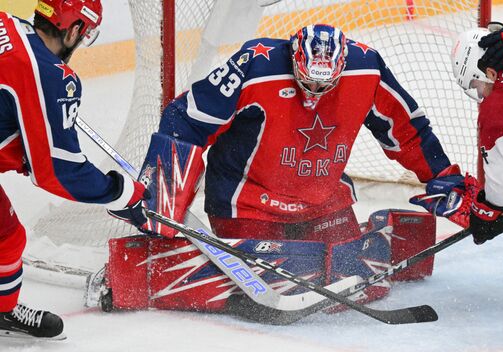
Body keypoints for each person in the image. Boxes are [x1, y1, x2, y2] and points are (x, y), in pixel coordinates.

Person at [138, 24, 464, 306]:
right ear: (295, 58)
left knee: (353, 281)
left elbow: (407, 128)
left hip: (320, 200)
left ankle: (365, 239)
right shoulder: (256, 64)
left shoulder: (367, 69)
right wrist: (163, 197)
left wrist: (443, 176)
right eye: (309, 82)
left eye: (326, 84)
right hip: (249, 205)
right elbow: (186, 118)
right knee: (291, 279)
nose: (316, 93)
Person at [0, 0, 149, 339]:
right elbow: (59, 173)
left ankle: (2, 312)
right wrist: (124, 193)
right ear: (76, 29)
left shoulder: (6, 23)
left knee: (6, 237)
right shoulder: (49, 76)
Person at [415, 26, 503, 246]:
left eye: (475, 85)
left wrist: (484, 213)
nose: (479, 94)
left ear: (489, 72)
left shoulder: (500, 101)